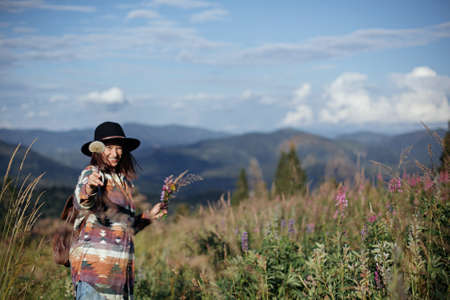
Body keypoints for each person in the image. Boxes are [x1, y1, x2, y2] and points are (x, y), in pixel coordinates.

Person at [69, 121, 167, 299]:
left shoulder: (124, 182)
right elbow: (82, 201)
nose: (114, 153)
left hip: (119, 277)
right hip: (95, 277)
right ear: (98, 150)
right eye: (108, 147)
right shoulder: (92, 173)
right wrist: (90, 187)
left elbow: (123, 229)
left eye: (119, 148)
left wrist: (148, 217)